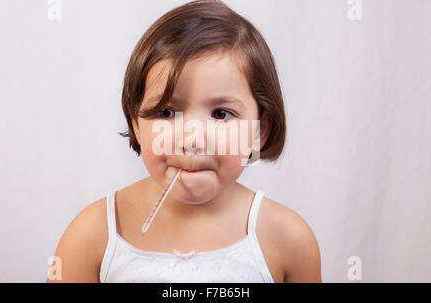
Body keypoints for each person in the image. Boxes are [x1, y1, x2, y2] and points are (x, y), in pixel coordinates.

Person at [47, 0, 322, 283]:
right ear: (135, 124)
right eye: (166, 112)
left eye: (221, 114)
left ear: (259, 131)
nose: (192, 139)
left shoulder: (289, 240)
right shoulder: (92, 236)